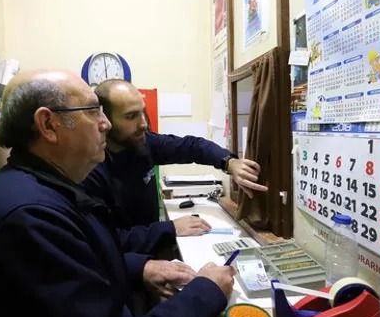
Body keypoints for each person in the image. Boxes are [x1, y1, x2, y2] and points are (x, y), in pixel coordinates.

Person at [0, 70, 235, 317]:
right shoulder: (29, 220)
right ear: (48, 125)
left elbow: (87, 254)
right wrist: (205, 290)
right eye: (92, 111)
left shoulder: (46, 189)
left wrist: (139, 267)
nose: (104, 124)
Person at [84, 79, 267, 231]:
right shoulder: (90, 171)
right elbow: (111, 240)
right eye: (131, 116)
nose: (143, 124)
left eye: (143, 112)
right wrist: (170, 229)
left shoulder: (144, 143)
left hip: (152, 248)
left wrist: (229, 162)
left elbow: (192, 146)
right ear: (104, 120)